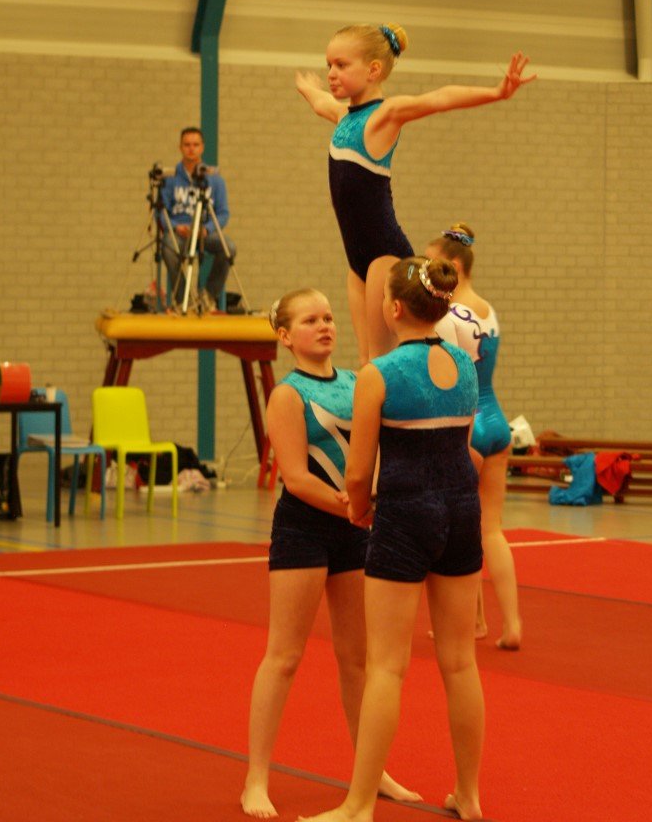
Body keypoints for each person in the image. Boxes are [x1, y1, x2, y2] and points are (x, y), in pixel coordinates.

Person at [301, 257, 485, 822]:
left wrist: (357, 510)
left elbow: (358, 472)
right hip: (461, 513)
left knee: (386, 666)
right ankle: (469, 795)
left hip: (405, 516)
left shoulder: (379, 374)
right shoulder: (465, 364)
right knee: (460, 662)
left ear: (394, 307)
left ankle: (359, 804)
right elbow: (467, 448)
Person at [240, 288, 420, 819]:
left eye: (328, 317)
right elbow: (296, 478)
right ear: (285, 336)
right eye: (310, 320)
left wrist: (371, 498)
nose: (324, 326)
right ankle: (256, 777)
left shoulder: (357, 382)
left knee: (357, 659)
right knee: (284, 656)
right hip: (305, 529)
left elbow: (373, 453)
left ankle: (371, 772)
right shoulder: (287, 395)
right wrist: (353, 506)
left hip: (353, 528)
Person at [295, 23, 535, 362]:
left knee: (381, 361)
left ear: (373, 70)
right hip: (357, 260)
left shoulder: (384, 115)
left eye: (341, 64)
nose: (331, 73)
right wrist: (308, 88)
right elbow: (322, 103)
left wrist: (497, 92)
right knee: (366, 362)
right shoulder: (344, 117)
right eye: (328, 65)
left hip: (384, 254)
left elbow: (438, 99)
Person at [428, 223, 521, 650]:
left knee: (459, 529)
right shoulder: (488, 310)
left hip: (466, 426)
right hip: (497, 420)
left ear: (453, 265)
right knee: (491, 530)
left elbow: (448, 378)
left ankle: (471, 621)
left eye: (431, 264)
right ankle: (510, 624)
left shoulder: (446, 315)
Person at [159, 126, 235, 312]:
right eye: (187, 145)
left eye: (195, 145)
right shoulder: (170, 178)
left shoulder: (215, 179)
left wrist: (207, 229)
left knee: (228, 247)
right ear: (180, 147)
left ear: (202, 148)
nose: (191, 149)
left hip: (204, 233)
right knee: (168, 246)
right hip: (180, 233)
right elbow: (161, 212)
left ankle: (208, 296)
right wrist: (176, 227)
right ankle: (184, 299)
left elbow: (223, 213)